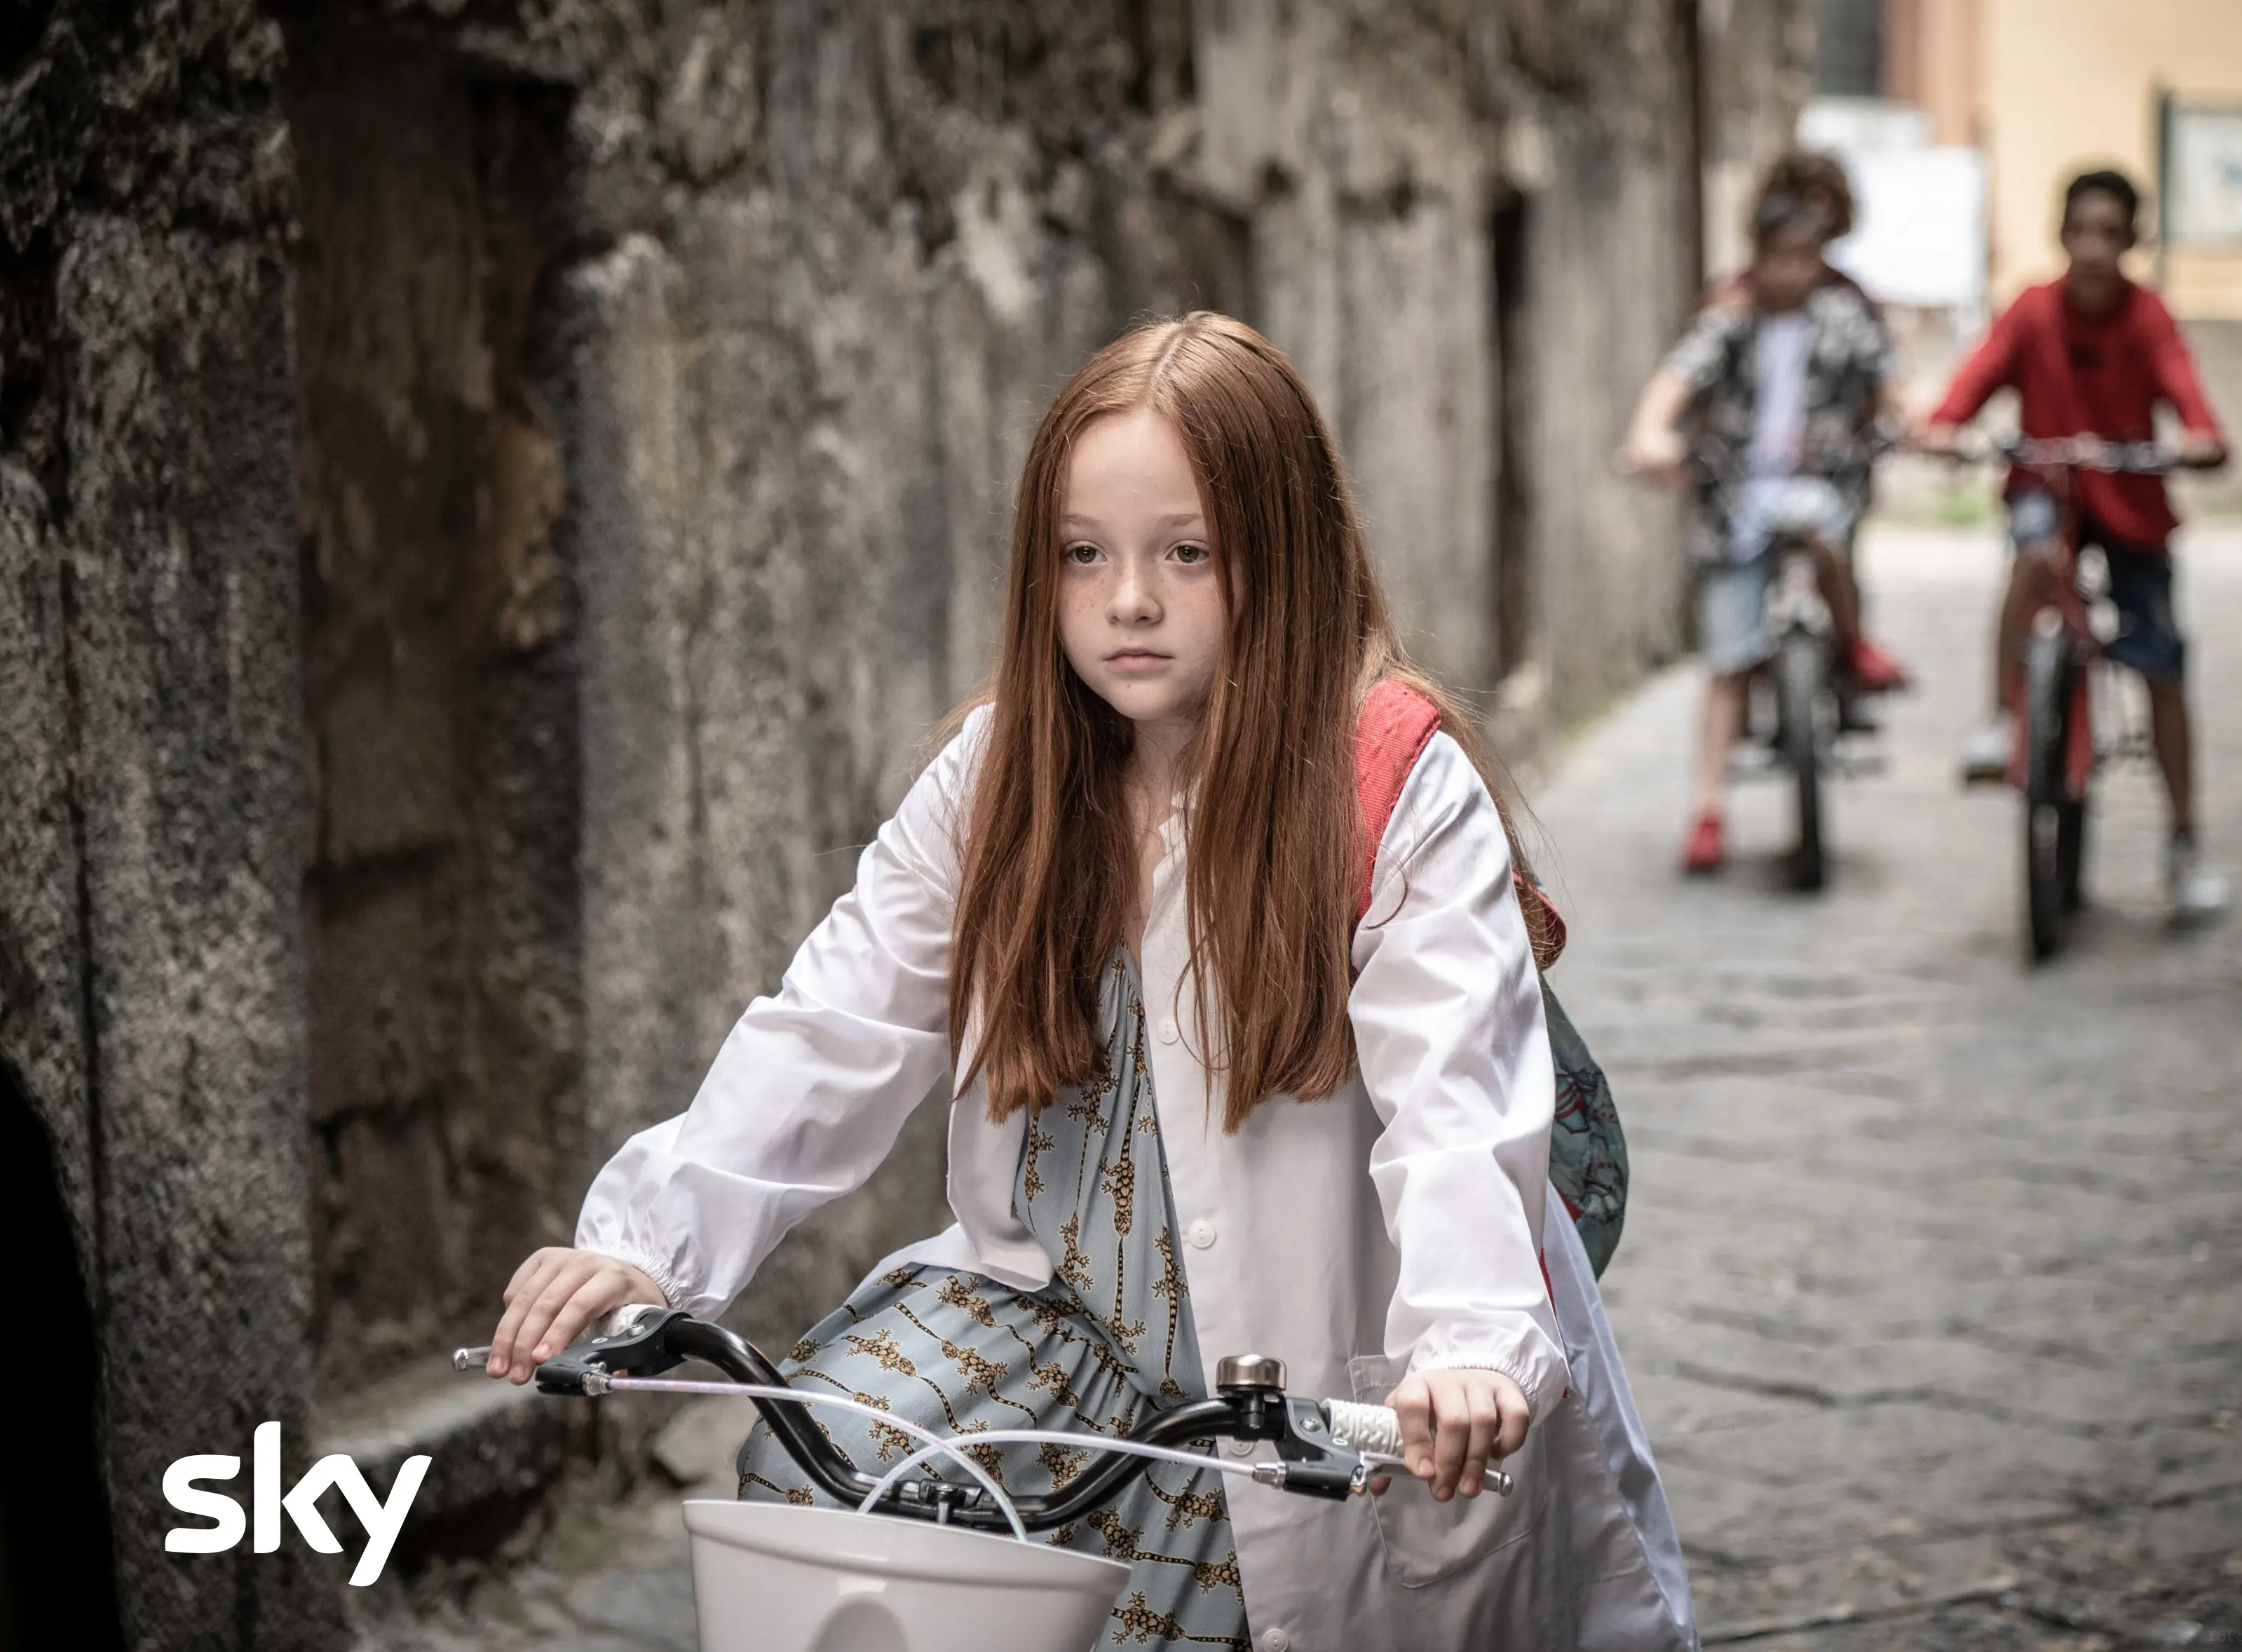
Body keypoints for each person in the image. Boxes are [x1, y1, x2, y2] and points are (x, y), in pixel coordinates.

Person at [483, 314, 1697, 1652]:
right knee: (823, 1478)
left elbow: (1456, 1097)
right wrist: (642, 1245)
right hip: (1055, 1326)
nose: (1128, 599)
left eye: (1187, 553)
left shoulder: (1388, 782)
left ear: (1281, 556)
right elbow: (833, 1021)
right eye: (1083, 555)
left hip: (1302, 1369)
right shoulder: (999, 777)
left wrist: (1468, 1343)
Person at [1918, 168, 2231, 920]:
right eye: (2081, 230)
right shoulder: (2031, 309)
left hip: (2129, 501)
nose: (2093, 248)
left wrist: (2198, 437)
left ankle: (2184, 841)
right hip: (2046, 490)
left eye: (2110, 233)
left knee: (2159, 662)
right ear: (2061, 235)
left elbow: (2187, 395)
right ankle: (2002, 718)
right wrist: (1945, 424)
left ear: (2131, 240)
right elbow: (1976, 378)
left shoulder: (2148, 317)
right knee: (2032, 558)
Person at [1622, 152, 1910, 875]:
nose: (1789, 272)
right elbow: (1677, 380)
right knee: (1726, 660)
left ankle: (1851, 639)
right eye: (1776, 258)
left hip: (1819, 485)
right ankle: (1708, 809)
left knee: (1823, 529)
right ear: (1756, 256)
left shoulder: (1846, 315)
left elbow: (1889, 382)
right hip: (1736, 501)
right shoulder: (1729, 320)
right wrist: (1652, 433)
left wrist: (1909, 419)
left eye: (1804, 257)